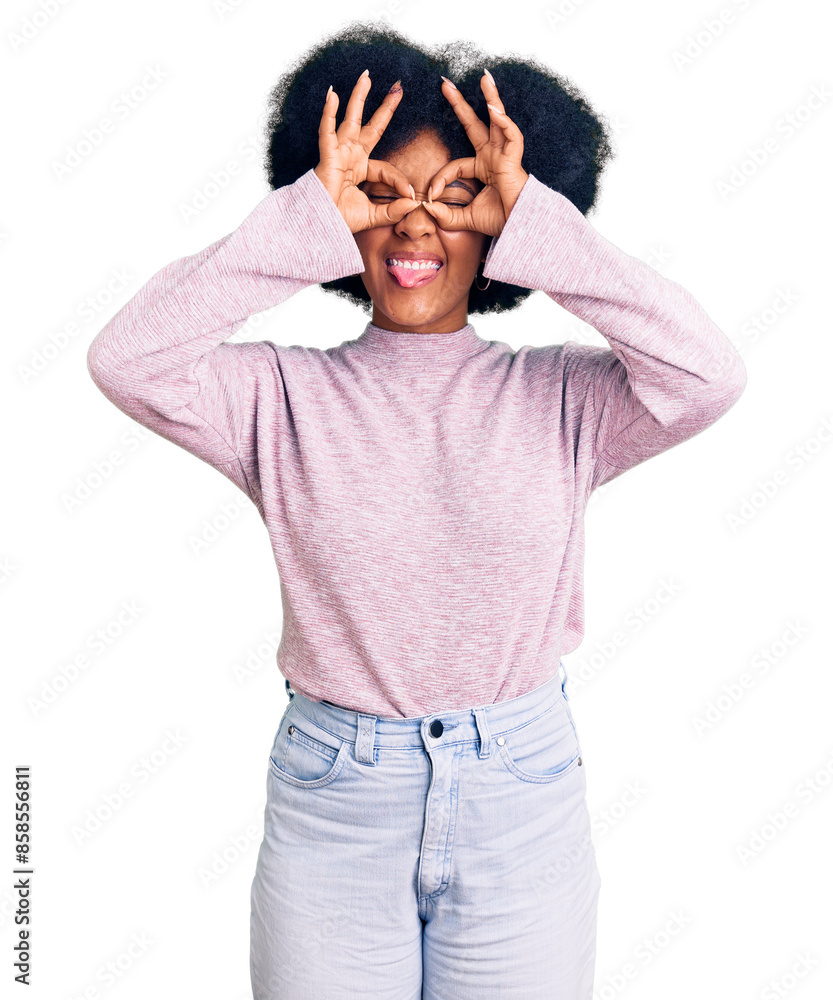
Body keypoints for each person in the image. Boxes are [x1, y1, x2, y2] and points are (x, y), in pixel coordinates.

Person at [85, 21, 747, 1000]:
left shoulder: (564, 400)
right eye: (378, 193)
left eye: (457, 197)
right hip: (335, 804)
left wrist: (540, 222)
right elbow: (125, 358)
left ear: (498, 227)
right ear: (336, 216)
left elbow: (709, 373)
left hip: (520, 796)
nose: (415, 225)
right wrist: (300, 217)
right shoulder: (274, 399)